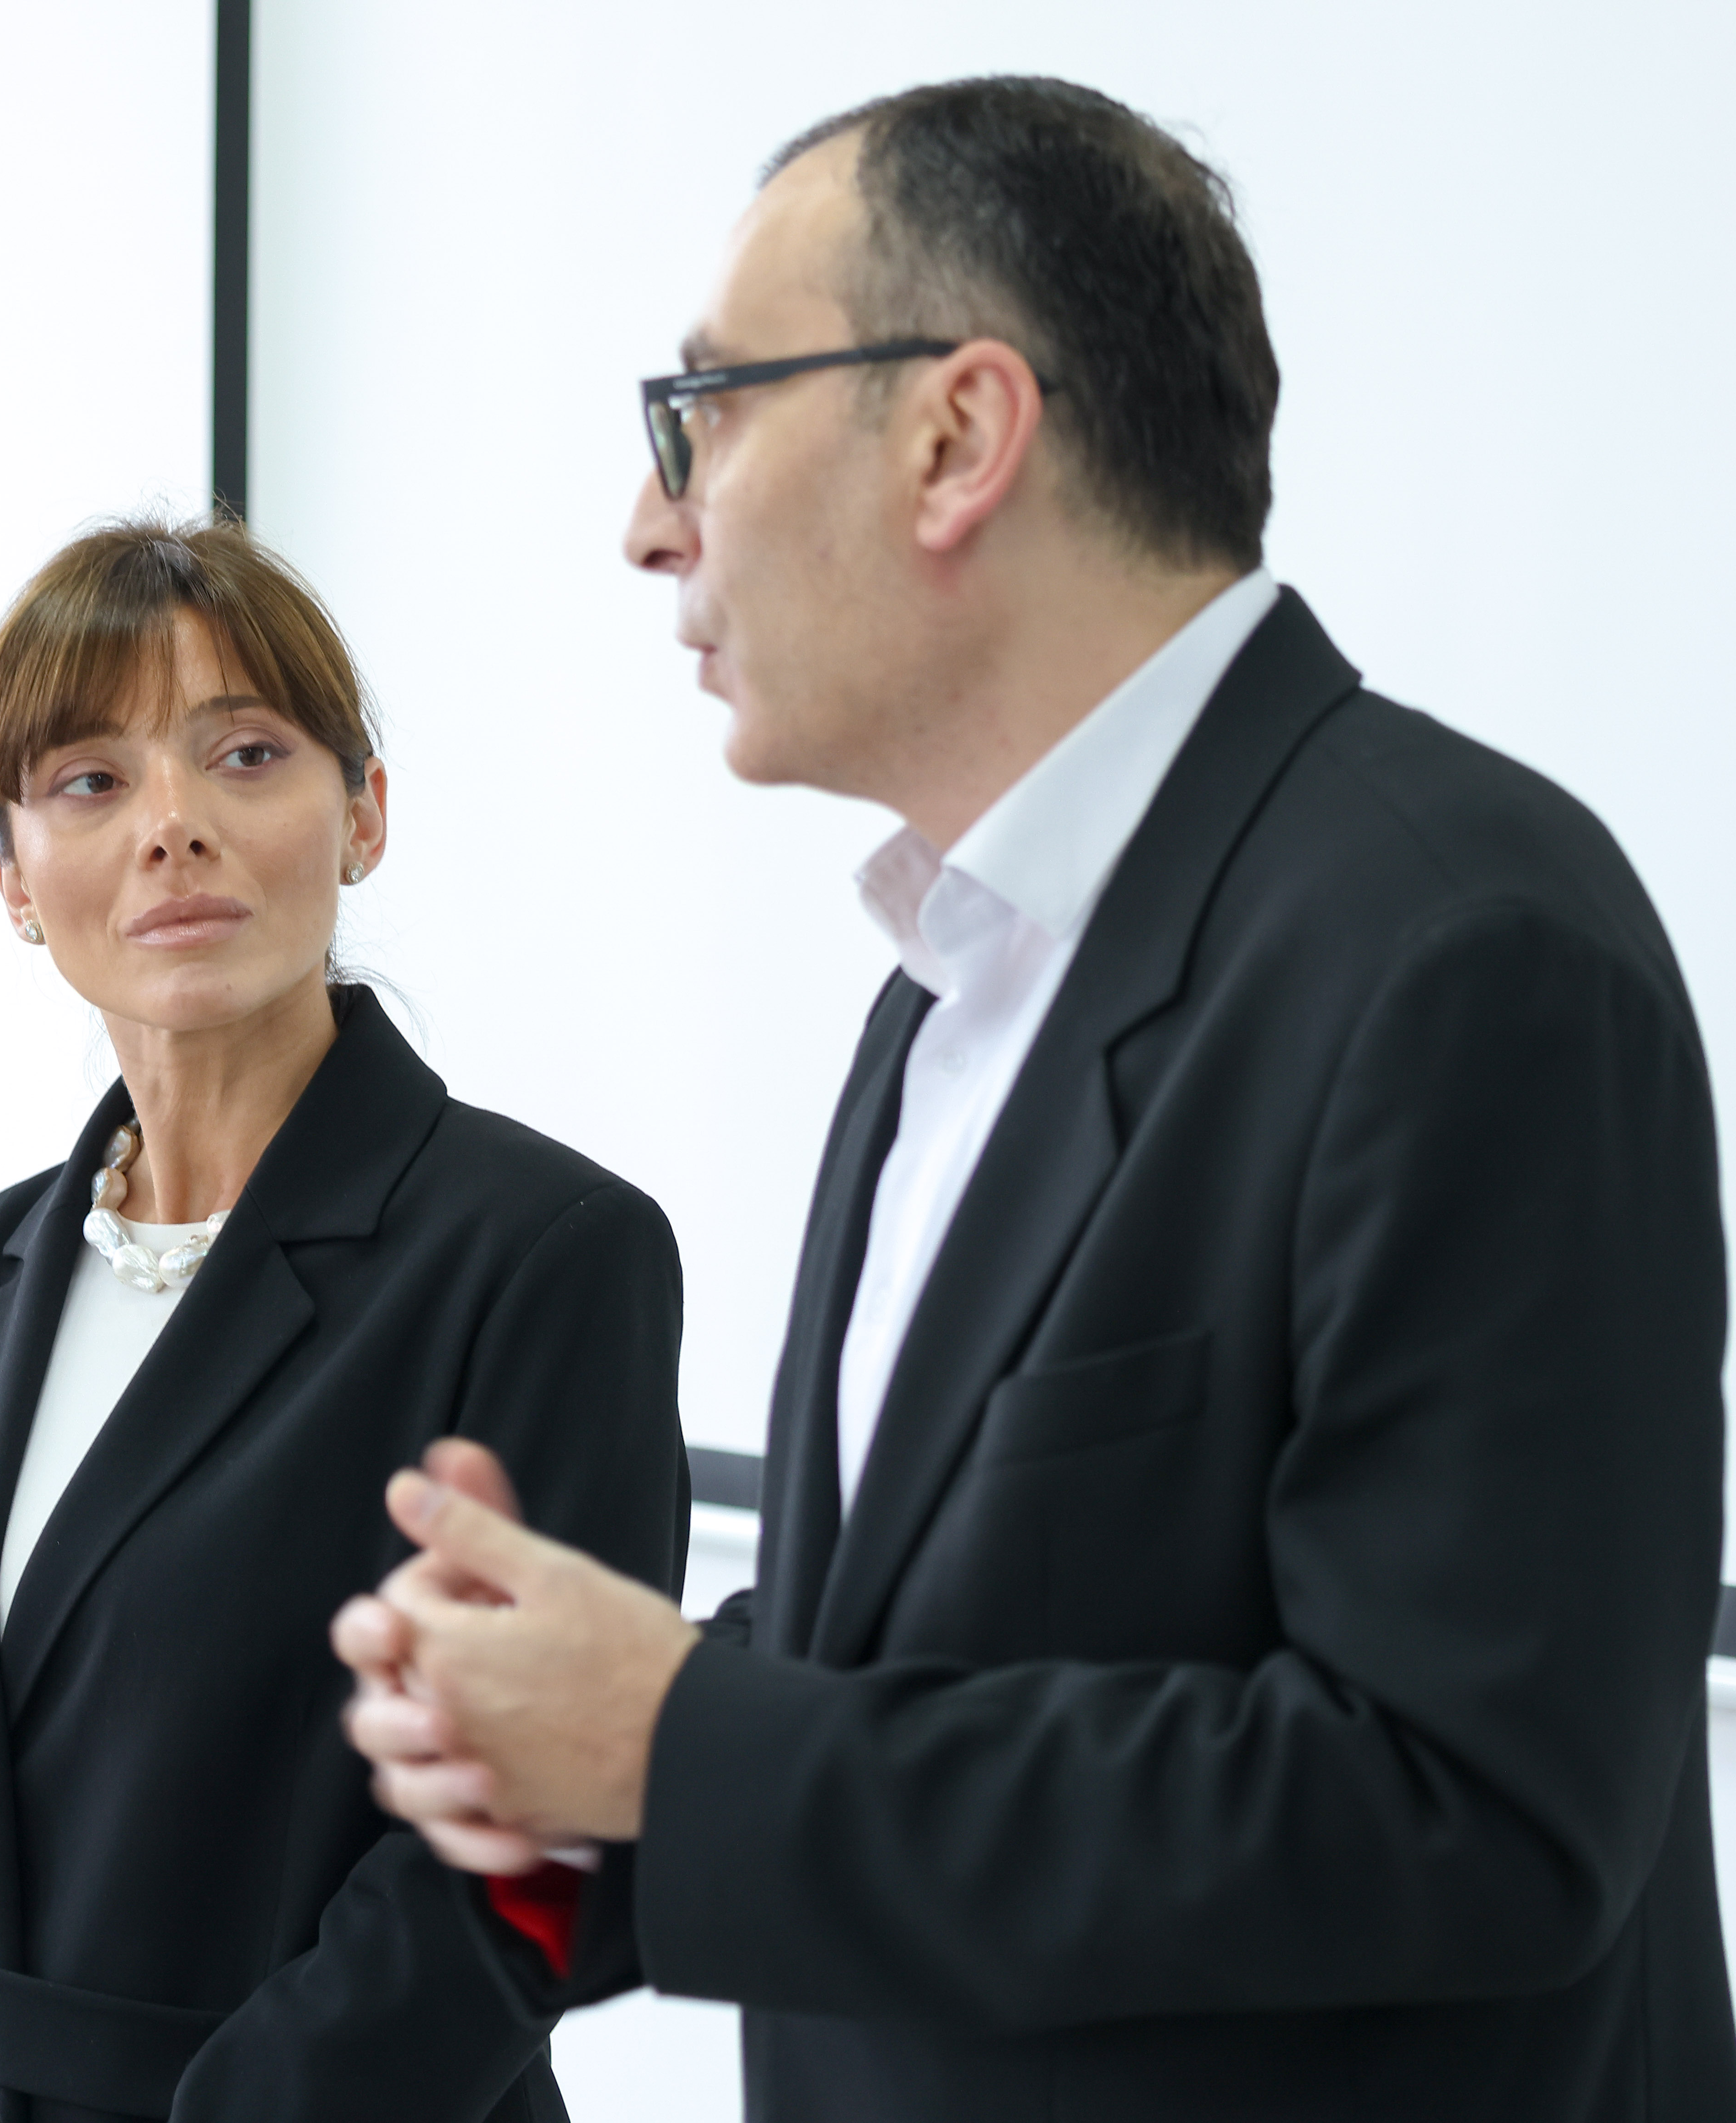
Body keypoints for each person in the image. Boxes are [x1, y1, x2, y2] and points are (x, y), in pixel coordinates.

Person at [333, 75, 1733, 2121]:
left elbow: (1470, 1813)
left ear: (958, 435)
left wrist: (684, 1742)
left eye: (700, 411)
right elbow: (961, 1647)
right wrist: (574, 1782)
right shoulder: (954, 970)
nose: (649, 521)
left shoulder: (1468, 951)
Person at [0, 515, 686, 2123]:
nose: (170, 825)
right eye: (89, 782)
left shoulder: (544, 1255)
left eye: (245, 755)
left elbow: (534, 1852)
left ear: (364, 813)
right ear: (13, 879)